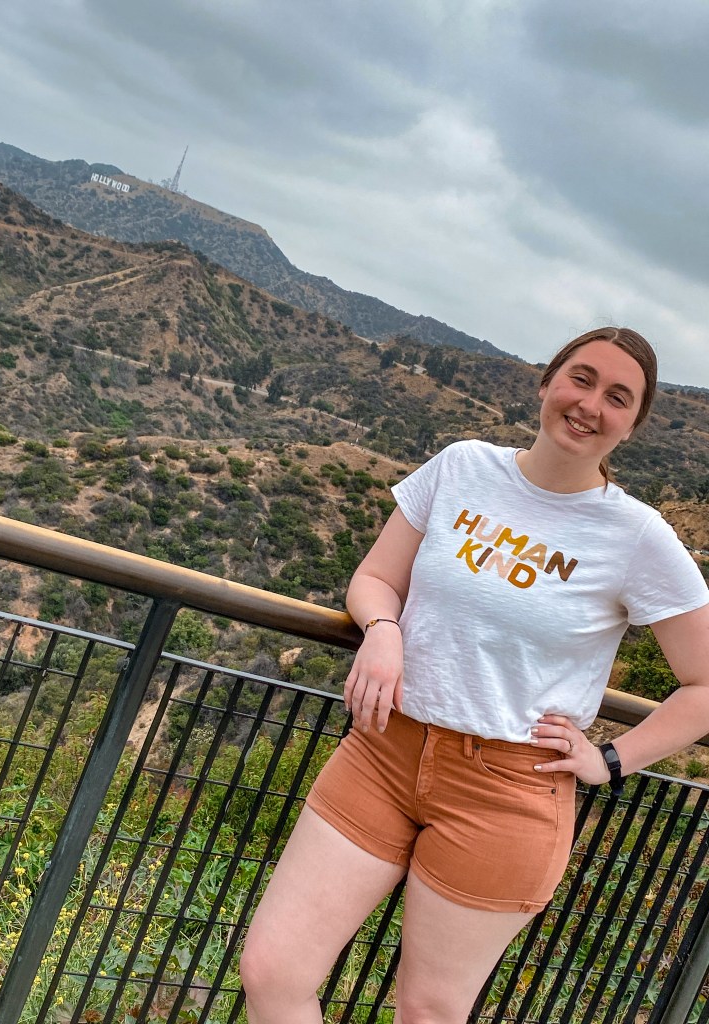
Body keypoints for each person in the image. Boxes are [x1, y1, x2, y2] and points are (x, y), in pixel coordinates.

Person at [240, 327, 709, 1024]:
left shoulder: (637, 536)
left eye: (618, 397)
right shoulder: (462, 467)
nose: (590, 405)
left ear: (632, 424)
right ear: (547, 382)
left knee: (428, 1010)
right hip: (383, 751)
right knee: (272, 970)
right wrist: (384, 630)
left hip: (508, 792)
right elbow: (375, 577)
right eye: (581, 379)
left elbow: (703, 685)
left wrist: (610, 760)